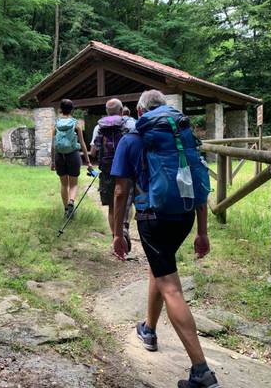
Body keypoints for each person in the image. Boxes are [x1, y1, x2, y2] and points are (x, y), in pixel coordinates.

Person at [110, 90, 220, 388]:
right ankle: (149, 328)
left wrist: (118, 232)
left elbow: (121, 192)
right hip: (184, 216)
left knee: (170, 286)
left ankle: (202, 372)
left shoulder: (133, 139)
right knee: (159, 268)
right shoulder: (182, 136)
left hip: (152, 218)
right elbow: (197, 180)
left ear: (138, 110)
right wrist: (202, 231)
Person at [89, 99, 134, 246]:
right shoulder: (128, 124)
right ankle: (124, 230)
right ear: (121, 111)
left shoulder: (99, 127)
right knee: (126, 202)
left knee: (111, 206)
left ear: (107, 112)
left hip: (107, 170)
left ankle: (115, 237)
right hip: (125, 169)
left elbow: (93, 151)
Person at [51, 99, 92, 218]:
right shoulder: (76, 124)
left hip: (59, 155)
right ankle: (71, 202)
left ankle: (66, 211)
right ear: (72, 109)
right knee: (73, 184)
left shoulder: (56, 124)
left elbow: (52, 144)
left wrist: (53, 161)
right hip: (73, 155)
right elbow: (83, 144)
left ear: (60, 109)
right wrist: (88, 161)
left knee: (64, 184)